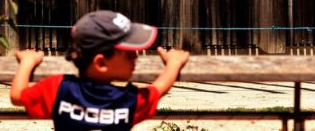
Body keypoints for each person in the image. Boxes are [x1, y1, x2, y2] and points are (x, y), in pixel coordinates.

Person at [10, 10, 190, 130]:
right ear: (101, 63)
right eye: (128, 53)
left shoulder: (58, 89)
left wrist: (27, 62)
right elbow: (158, 89)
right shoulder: (129, 101)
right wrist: (173, 63)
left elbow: (18, 96)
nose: (135, 57)